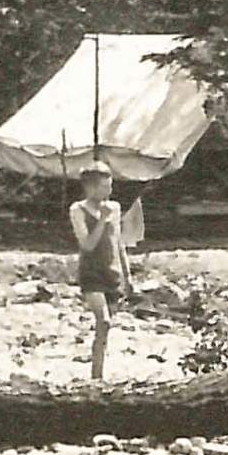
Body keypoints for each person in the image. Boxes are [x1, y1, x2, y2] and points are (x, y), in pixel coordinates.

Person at [69, 162, 133, 380]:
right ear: (90, 188)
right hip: (91, 273)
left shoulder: (114, 207)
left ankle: (98, 372)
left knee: (106, 330)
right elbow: (86, 245)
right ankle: (96, 377)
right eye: (105, 187)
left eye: (110, 186)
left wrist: (127, 275)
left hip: (112, 273)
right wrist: (102, 220)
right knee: (103, 321)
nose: (109, 191)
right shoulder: (77, 210)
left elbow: (118, 242)